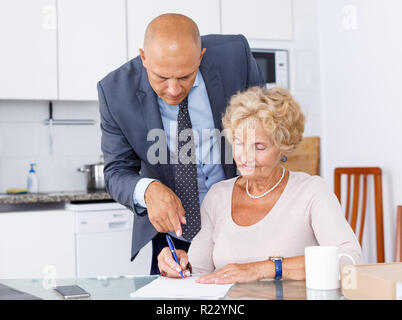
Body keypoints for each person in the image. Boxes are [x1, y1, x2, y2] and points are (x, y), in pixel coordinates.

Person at [97, 13, 265, 274]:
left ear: (200, 57)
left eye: (186, 76)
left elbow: (267, 131)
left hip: (243, 221)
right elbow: (116, 170)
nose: (174, 90)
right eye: (162, 78)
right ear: (144, 58)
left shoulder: (234, 57)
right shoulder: (116, 92)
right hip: (172, 237)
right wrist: (149, 189)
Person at [157, 86, 363, 283]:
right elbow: (199, 272)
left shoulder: (311, 192)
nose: (245, 157)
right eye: (238, 142)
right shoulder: (218, 195)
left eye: (259, 147)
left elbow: (350, 260)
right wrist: (179, 265)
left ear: (284, 148)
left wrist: (264, 268)